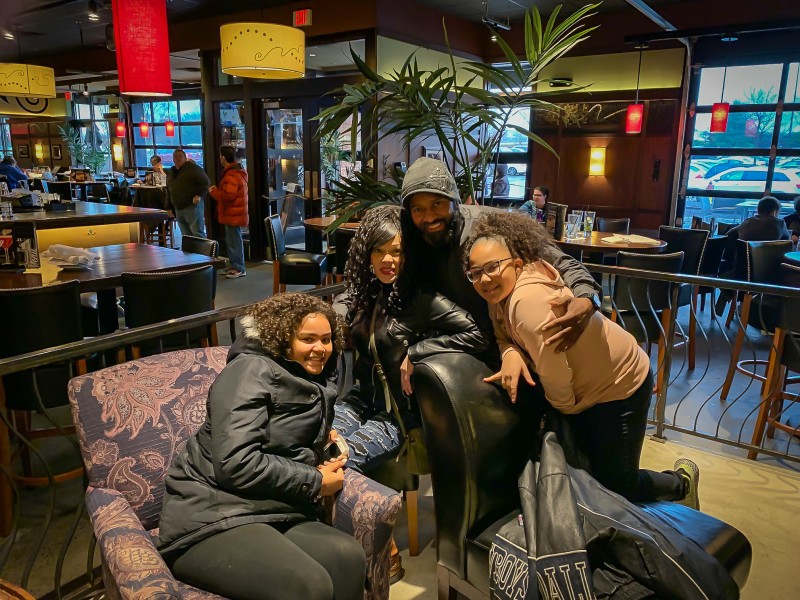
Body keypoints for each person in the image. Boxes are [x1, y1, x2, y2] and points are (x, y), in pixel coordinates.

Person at [465, 211, 700, 508]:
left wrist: (567, 413)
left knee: (618, 484)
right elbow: (502, 336)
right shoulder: (498, 294)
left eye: (493, 267)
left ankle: (682, 484)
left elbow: (556, 376)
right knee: (591, 473)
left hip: (619, 383)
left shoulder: (526, 302)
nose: (485, 278)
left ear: (517, 263)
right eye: (476, 272)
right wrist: (510, 352)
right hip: (591, 384)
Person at [157, 293, 366, 600]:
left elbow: (283, 438)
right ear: (283, 338)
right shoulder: (249, 372)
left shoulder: (307, 376)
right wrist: (315, 481)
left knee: (348, 558)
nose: (320, 348)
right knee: (310, 585)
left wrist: (327, 447)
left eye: (326, 339)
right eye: (308, 339)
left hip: (271, 506)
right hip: (210, 515)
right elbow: (235, 463)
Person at [332, 204, 490, 583]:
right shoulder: (366, 292)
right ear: (367, 253)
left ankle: (382, 548)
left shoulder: (422, 298)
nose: (387, 260)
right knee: (314, 442)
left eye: (397, 251)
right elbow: (342, 310)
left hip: (398, 416)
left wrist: (418, 352)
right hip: (360, 400)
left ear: (409, 254)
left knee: (340, 460)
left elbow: (478, 334)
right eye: (379, 250)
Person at [394, 157, 601, 402]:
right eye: (418, 209)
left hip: (534, 349)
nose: (429, 217)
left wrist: (588, 298)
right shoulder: (415, 240)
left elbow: (562, 261)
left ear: (455, 201)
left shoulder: (488, 226)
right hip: (486, 345)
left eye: (437, 203)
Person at [209, 146, 248, 279]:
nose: (219, 158)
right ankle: (235, 265)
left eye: (220, 156)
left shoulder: (231, 174)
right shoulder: (237, 172)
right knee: (233, 240)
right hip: (235, 212)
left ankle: (239, 267)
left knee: (234, 241)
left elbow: (228, 195)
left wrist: (214, 192)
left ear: (224, 157)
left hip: (233, 213)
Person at [167, 148, 210, 238]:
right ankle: (189, 248)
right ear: (173, 159)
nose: (178, 158)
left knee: (197, 233)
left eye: (180, 156)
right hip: (178, 208)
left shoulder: (193, 169)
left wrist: (199, 195)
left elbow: (206, 182)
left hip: (192, 206)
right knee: (186, 235)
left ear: (185, 158)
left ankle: (202, 248)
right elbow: (169, 190)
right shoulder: (172, 172)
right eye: (175, 156)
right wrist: (169, 207)